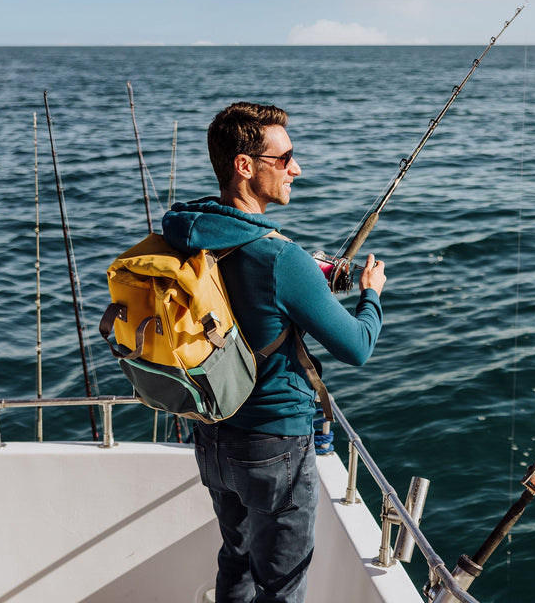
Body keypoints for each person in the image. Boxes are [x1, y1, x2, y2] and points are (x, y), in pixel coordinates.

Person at [162, 101, 387, 603]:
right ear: (246, 166)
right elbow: (357, 348)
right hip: (274, 445)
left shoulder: (187, 232)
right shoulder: (282, 258)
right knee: (282, 585)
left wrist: (311, 279)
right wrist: (371, 293)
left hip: (212, 436)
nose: (296, 169)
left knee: (235, 559)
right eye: (285, 158)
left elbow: (241, 292)